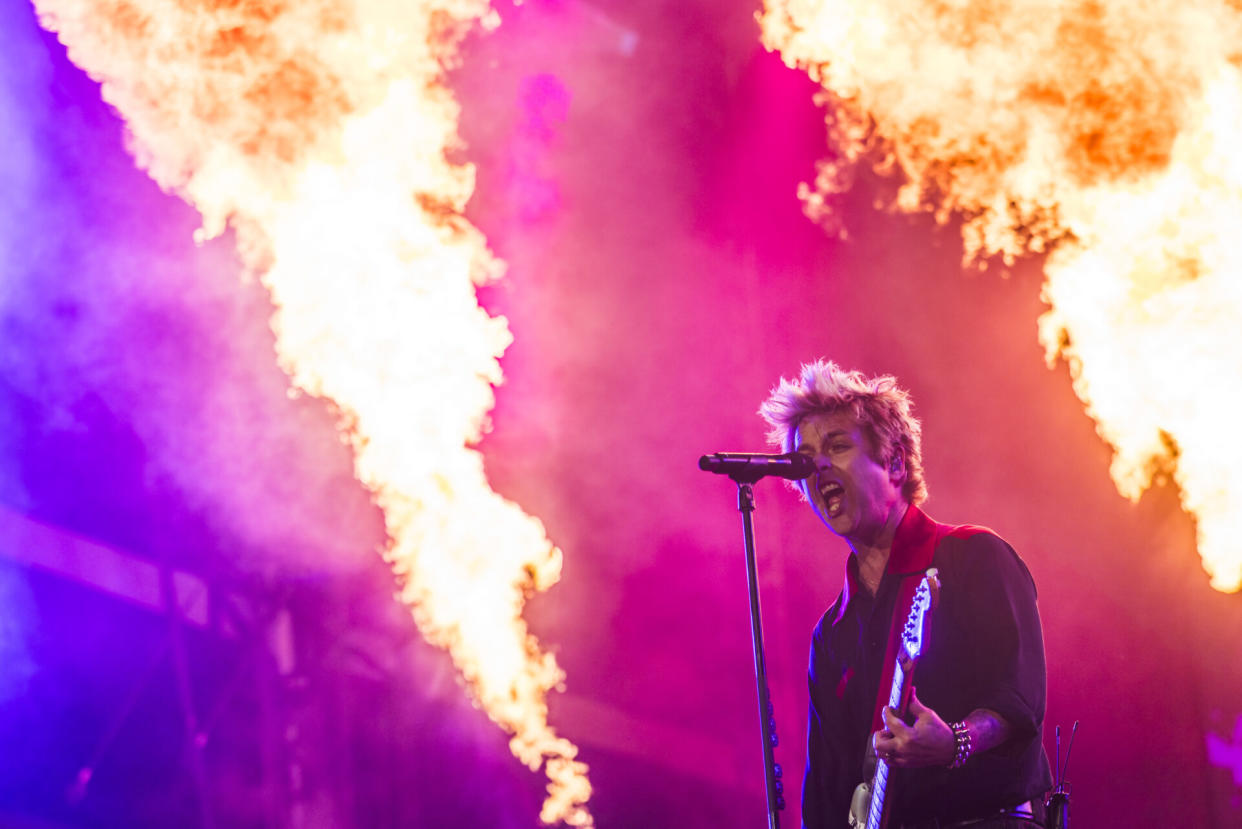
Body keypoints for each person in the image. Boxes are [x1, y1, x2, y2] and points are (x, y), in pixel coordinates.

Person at [759, 360, 1052, 829]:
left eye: (836, 446)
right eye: (805, 458)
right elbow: (828, 790)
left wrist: (955, 741)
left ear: (894, 461)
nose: (818, 467)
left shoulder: (973, 556)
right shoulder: (832, 634)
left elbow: (1019, 700)